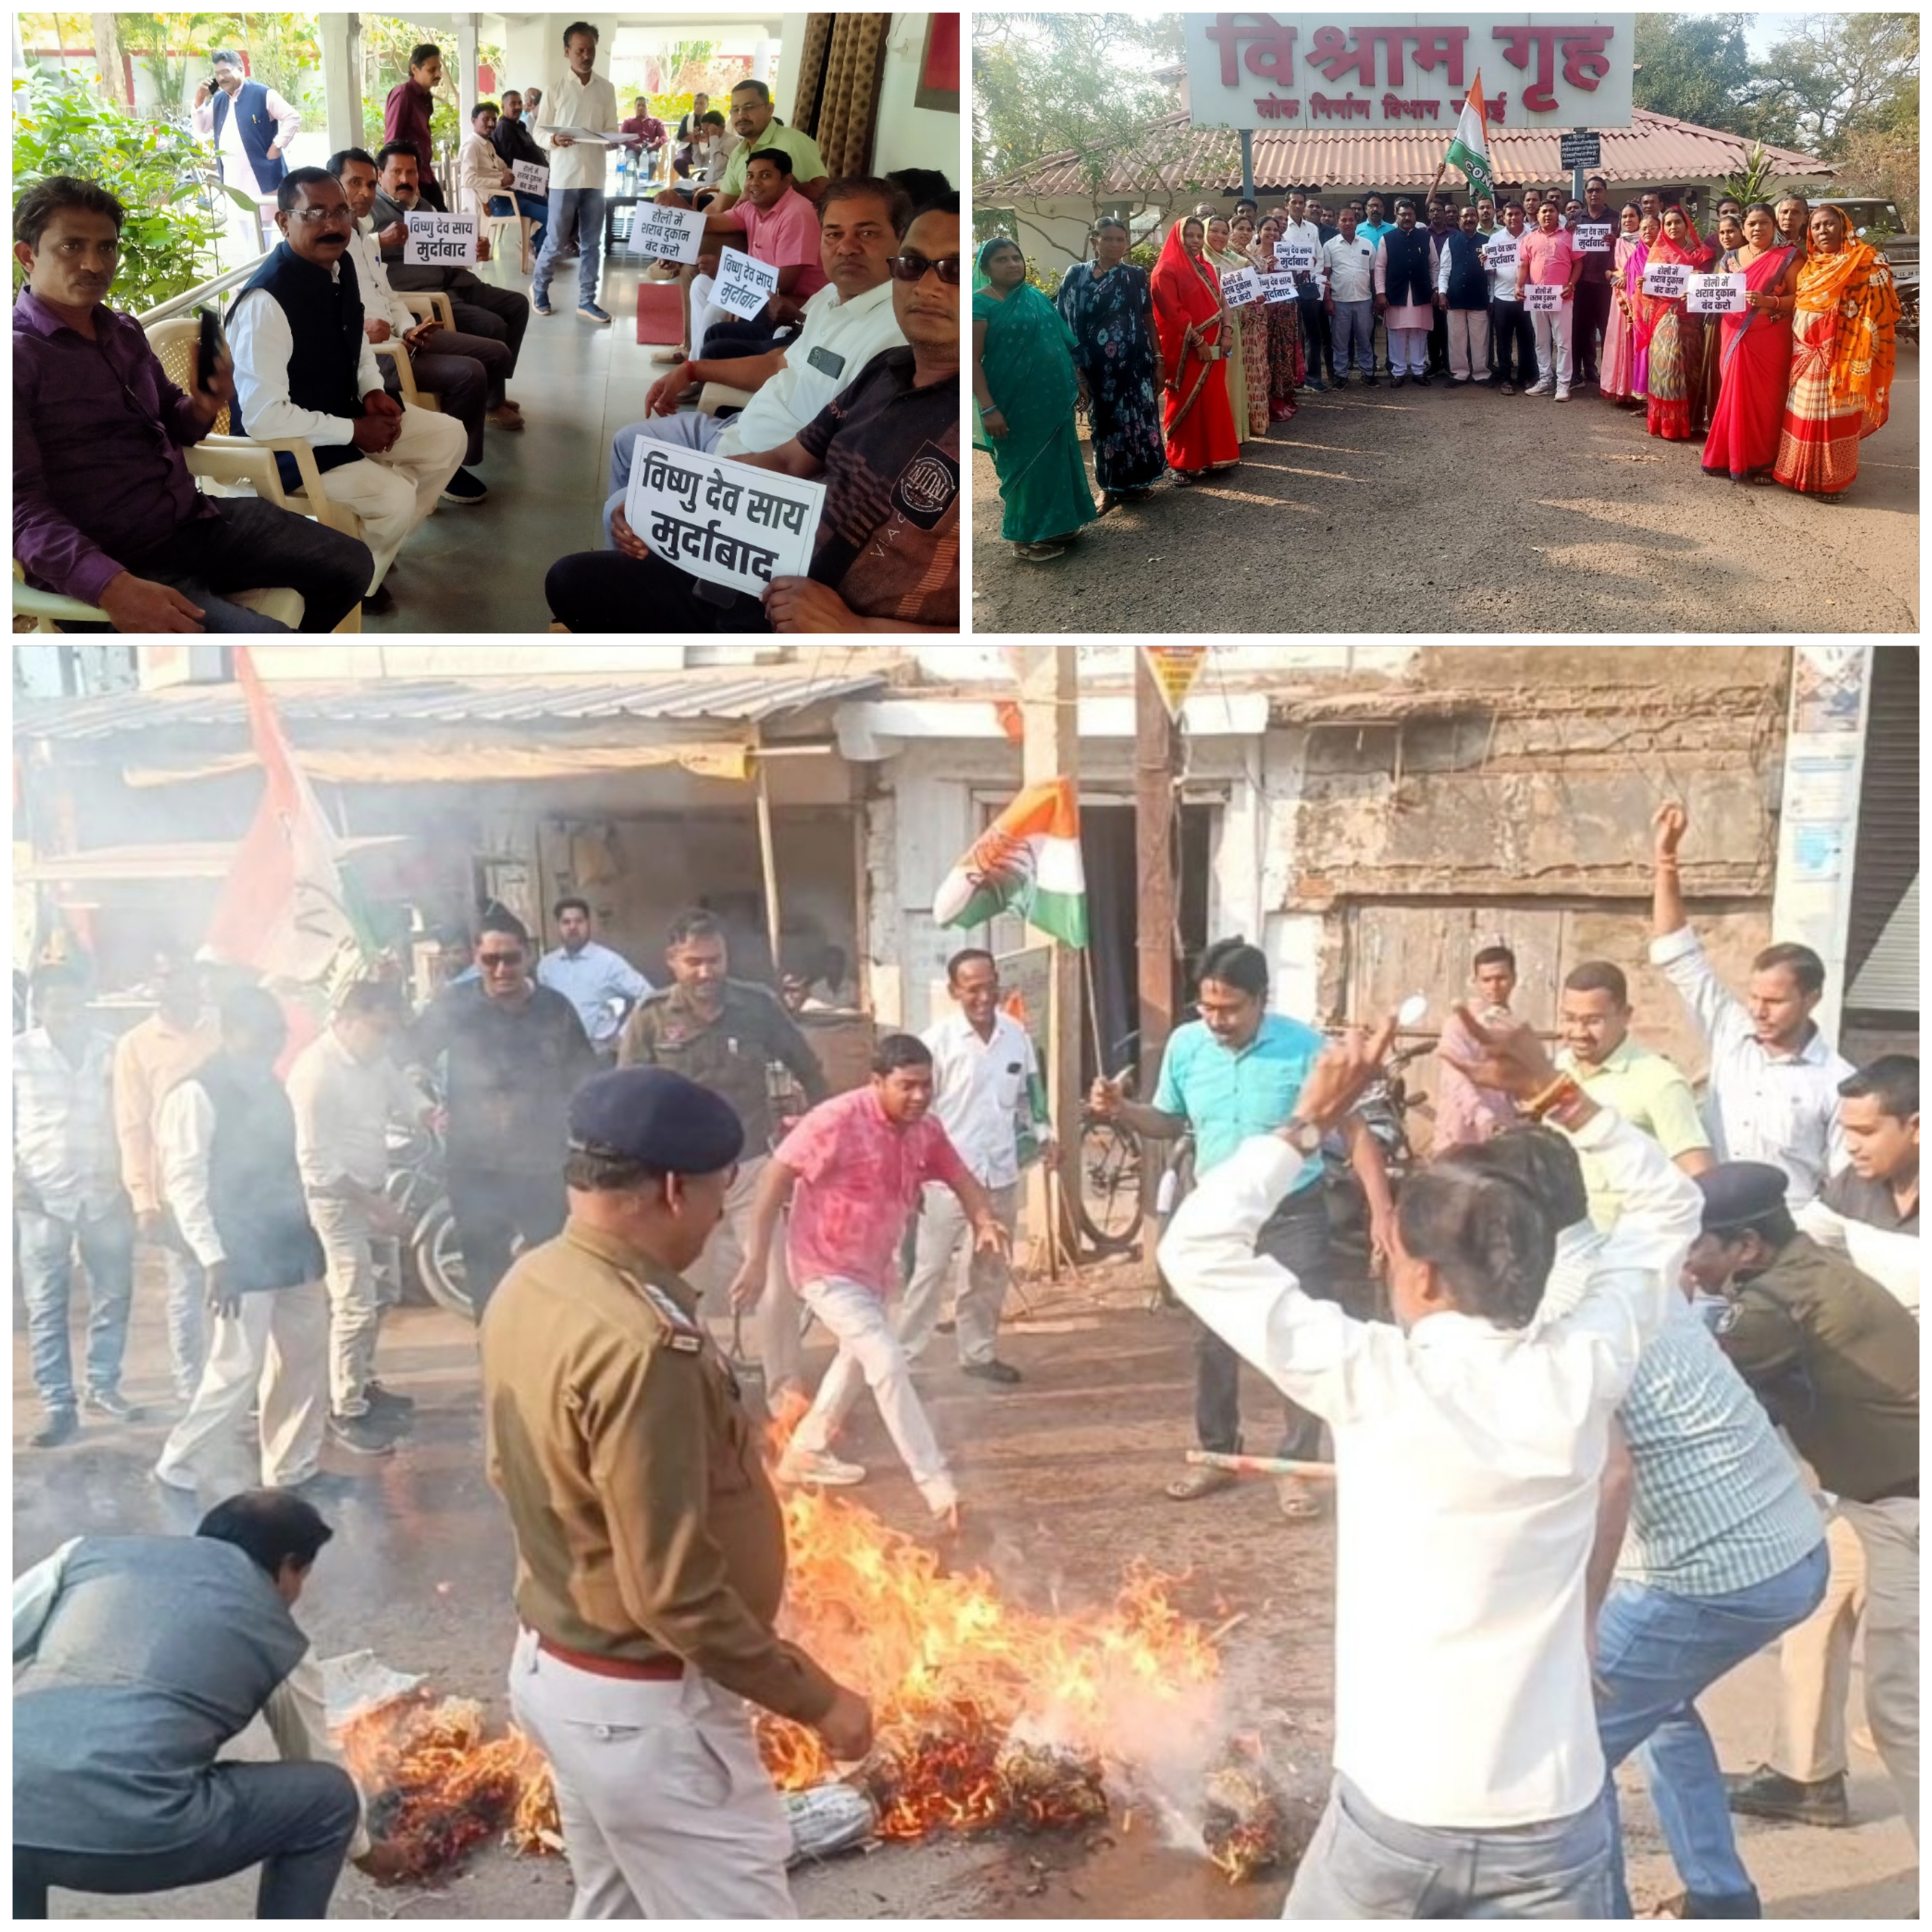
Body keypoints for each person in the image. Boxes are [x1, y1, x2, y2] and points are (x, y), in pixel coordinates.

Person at [1161, 1015, 1687, 1918]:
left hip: (1396, 1817)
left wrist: (1306, 1121)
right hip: (1553, 1822)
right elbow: (1674, 1206)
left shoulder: (1374, 1378)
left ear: (1428, 1281)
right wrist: (1557, 1094)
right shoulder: (1582, 1369)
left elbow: (1195, 1249)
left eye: (1398, 1255)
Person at [480, 1067, 874, 1916]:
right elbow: (673, 1588)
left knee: (616, 1906)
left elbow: (505, 1471)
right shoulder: (642, 1342)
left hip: (558, 1669)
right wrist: (818, 1698)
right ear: (669, 1188)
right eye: (714, 1197)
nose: (714, 1221)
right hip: (646, 1709)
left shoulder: (531, 1281)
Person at [1494, 1129, 1827, 1920]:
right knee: (1660, 1708)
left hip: (1711, 1576)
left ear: (1505, 1221)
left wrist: (1579, 1614)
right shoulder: (1624, 1262)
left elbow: (1610, 1474)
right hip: (1788, 1546)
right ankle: (1720, 1897)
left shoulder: (1557, 1309)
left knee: (1562, 1754)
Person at [551, 197, 961, 635]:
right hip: (769, 568)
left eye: (953, 271)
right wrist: (665, 496)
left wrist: (854, 629)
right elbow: (789, 458)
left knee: (615, 534)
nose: (927, 287)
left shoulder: (963, 418)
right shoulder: (889, 369)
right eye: (914, 266)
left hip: (836, 628)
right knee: (573, 576)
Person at [1090, 937, 1392, 1520]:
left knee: (1306, 1335)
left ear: (1261, 1000)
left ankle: (1298, 1465)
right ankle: (1216, 1453)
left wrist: (1382, 1211)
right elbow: (1169, 1118)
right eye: (1207, 1007)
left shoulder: (1305, 1048)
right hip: (1217, 1217)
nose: (1216, 1020)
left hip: (1293, 1211)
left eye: (1229, 1008)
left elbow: (1353, 1131)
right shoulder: (1185, 1046)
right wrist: (1122, 1111)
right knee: (1212, 1340)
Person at [12, 1492, 401, 1918]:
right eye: (302, 1576)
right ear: (289, 1565)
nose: (298, 1592)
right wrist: (368, 1854)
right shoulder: (277, 1633)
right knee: (328, 1797)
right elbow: (311, 1754)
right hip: (133, 1836)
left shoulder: (84, 1556)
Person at [13, 176, 372, 635]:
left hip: (189, 523)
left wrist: (205, 405)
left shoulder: (121, 332)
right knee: (266, 643)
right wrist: (110, 586)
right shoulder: (19, 360)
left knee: (351, 563)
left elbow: (177, 423)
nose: (93, 263)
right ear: (28, 256)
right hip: (112, 562)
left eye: (106, 248)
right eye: (71, 246)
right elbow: (20, 512)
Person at [1692, 1163, 1920, 1849]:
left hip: (1906, 1508)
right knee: (1814, 1612)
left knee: (1902, 1707)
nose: (1685, 1257)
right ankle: (1805, 1775)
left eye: (1693, 1243)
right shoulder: (1798, 1264)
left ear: (1746, 1247)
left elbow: (1684, 1385)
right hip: (1870, 1493)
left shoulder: (1775, 1304)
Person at [734, 1036, 1008, 1523]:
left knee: (858, 1357)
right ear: (877, 1081)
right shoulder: (836, 1120)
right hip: (824, 1266)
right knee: (886, 1359)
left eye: (927, 1085)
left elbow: (961, 1177)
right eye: (907, 1086)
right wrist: (757, 1256)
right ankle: (938, 1488)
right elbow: (774, 1175)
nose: (920, 1096)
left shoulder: (926, 1131)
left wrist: (984, 1220)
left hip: (874, 1271)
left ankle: (808, 1449)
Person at [603, 175, 909, 542]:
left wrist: (699, 480)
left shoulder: (896, 334)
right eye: (833, 234)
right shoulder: (832, 296)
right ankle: (640, 563)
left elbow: (818, 462)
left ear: (902, 239)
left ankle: (643, 570)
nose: (846, 247)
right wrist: (691, 369)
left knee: (622, 507)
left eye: (867, 233)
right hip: (738, 430)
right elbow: (780, 363)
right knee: (626, 443)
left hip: (764, 471)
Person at [227, 168, 469, 615]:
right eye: (315, 213)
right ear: (283, 221)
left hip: (342, 413)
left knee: (449, 437)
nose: (333, 225)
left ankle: (369, 560)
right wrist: (355, 431)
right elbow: (263, 419)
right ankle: (359, 579)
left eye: (340, 212)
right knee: (395, 498)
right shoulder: (266, 303)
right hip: (288, 447)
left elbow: (355, 336)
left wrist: (372, 387)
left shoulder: (340, 266)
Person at [616, 909, 829, 1405]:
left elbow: (809, 1070)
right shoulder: (650, 1017)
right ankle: (699, 1388)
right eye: (694, 962)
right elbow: (628, 1094)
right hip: (683, 1181)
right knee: (685, 1289)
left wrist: (819, 1140)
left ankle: (785, 1391)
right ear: (672, 961)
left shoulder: (757, 1007)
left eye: (715, 960)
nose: (706, 972)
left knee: (777, 1285)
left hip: (752, 1166)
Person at [150, 988, 331, 1495]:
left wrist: (311, 1234)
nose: (274, 1043)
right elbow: (184, 1184)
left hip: (293, 1246)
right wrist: (214, 1258)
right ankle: (178, 1465)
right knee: (235, 1372)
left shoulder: (270, 1084)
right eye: (263, 1033)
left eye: (279, 1033)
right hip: (239, 1256)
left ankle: (292, 1467)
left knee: (304, 1360)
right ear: (231, 1033)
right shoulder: (195, 1094)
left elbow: (287, 1164)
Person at [1651, 802, 1851, 1206]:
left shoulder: (1838, 1082)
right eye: (1754, 997)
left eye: (1775, 1001)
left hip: (1787, 1230)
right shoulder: (1731, 1030)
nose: (1759, 1011)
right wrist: (1666, 859)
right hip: (1712, 1224)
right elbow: (1678, 953)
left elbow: (1847, 1181)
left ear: (1811, 999)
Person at [409, 909, 596, 1315]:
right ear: (477, 959)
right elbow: (406, 1057)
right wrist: (425, 1105)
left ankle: (554, 1370)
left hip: (544, 1166)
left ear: (527, 956)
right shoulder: (456, 1006)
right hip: (475, 1167)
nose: (501, 969)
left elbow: (586, 1082)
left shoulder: (556, 1009)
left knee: (554, 1276)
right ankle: (498, 1369)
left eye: (510, 958)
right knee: (487, 1282)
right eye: (490, 960)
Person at [285, 981, 428, 1458]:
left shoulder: (373, 1057)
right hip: (337, 1201)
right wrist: (378, 1207)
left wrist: (430, 1114)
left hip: (372, 1187)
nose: (383, 1041)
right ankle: (344, 1407)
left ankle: (364, 1382)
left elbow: (402, 1091)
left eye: (389, 1032)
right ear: (346, 1021)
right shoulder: (315, 1074)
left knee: (384, 1293)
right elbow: (318, 1166)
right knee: (353, 1304)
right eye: (377, 1030)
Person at [901, 949, 1054, 1382]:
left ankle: (979, 1354)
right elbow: (919, 1113)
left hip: (1000, 1173)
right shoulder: (936, 1044)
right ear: (955, 992)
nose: (985, 996)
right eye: (974, 989)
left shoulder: (1016, 1035)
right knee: (930, 1271)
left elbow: (1031, 1096)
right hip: (947, 1178)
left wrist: (1046, 1136)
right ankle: (904, 1358)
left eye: (991, 986)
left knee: (988, 1271)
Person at [329, 146, 503, 504]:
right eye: (354, 183)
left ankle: (453, 453)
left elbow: (389, 294)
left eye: (368, 184)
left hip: (402, 335)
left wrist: (409, 327)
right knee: (470, 373)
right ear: (336, 186)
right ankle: (451, 468)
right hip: (378, 354)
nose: (364, 192)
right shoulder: (330, 245)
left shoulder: (363, 234)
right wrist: (367, 331)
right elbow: (327, 314)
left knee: (494, 352)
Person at [14, 963, 137, 1448]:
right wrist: (15, 1183)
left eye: (73, 1002)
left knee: (114, 1295)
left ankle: (103, 1385)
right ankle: (58, 1404)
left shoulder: (111, 1052)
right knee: (46, 1304)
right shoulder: (15, 1056)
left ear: (87, 1001)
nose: (66, 1012)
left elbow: (129, 1117)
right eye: (55, 1004)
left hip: (104, 1194)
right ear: (40, 1006)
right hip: (41, 1198)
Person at [650, 78, 829, 364]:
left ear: (769, 109)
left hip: (788, 276)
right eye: (735, 110)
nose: (740, 115)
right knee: (695, 277)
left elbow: (822, 190)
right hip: (752, 245)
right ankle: (692, 356)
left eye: (749, 107)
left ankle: (696, 364)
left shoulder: (794, 148)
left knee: (701, 278)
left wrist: (724, 268)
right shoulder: (742, 158)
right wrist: (676, 226)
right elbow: (718, 214)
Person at [112, 948, 220, 1403]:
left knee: (231, 1288)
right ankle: (191, 1387)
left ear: (196, 979)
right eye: (162, 977)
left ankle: (227, 1383)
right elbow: (132, 1126)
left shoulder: (222, 1027)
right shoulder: (136, 1045)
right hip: (176, 1190)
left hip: (233, 1186)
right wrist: (144, 1200)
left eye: (178, 975)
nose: (171, 985)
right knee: (187, 1290)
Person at [1556, 960, 1713, 1226]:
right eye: (1570, 1019)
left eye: (1593, 1021)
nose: (1579, 1033)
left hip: (1628, 1250)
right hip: (1562, 1245)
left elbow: (1700, 1176)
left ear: (1626, 1015)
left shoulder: (1659, 1082)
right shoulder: (1559, 1069)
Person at [372, 144, 533, 391]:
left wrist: (476, 250)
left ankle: (496, 380)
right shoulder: (369, 212)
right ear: (380, 175)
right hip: (425, 295)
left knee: (518, 304)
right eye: (397, 172)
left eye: (412, 172)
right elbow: (354, 251)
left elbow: (448, 249)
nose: (406, 179)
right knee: (493, 325)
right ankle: (493, 397)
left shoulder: (425, 206)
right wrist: (381, 240)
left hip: (455, 280)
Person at [1774, 203, 1899, 501]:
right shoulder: (1809, 267)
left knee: (1835, 418)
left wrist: (1852, 342)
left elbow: (1883, 310)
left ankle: (1834, 480)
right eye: (1816, 227)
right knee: (1803, 415)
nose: (1822, 231)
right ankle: (1799, 474)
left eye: (1829, 224)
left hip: (1844, 355)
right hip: (1805, 354)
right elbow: (1801, 305)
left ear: (1844, 227)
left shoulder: (1866, 260)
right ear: (1810, 234)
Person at [1056, 216, 1168, 511]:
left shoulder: (1135, 275)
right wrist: (1077, 370)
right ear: (1095, 241)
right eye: (1108, 238)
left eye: (1121, 239)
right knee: (1104, 427)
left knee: (1140, 424)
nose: (1115, 244)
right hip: (1097, 370)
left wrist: (1158, 360)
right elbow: (1064, 324)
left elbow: (1148, 320)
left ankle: (1137, 483)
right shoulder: (1077, 276)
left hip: (1135, 366)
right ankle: (1107, 488)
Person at [682, 148, 829, 358]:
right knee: (701, 284)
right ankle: (697, 362)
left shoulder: (797, 214)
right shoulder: (752, 207)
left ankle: (697, 370)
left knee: (715, 307)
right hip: (760, 287)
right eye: (750, 176)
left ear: (787, 181)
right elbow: (711, 223)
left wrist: (724, 270)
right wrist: (680, 210)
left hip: (796, 300)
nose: (755, 183)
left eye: (765, 176)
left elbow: (784, 283)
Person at [1700, 202, 1800, 484]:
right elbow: (1717, 294)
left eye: (1764, 223)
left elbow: (1802, 297)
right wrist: (1695, 294)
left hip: (1770, 337)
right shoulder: (1729, 258)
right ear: (1743, 228)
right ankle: (1729, 456)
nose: (1758, 229)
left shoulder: (1788, 258)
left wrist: (1771, 301)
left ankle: (1766, 461)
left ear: (1774, 226)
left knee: (1767, 399)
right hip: (1733, 334)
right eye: (1752, 224)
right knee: (1733, 395)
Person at [527, 22, 620, 324]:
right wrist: (553, 139)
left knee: (592, 243)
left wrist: (612, 143)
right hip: (564, 179)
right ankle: (539, 288)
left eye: (591, 50)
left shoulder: (606, 89)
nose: (586, 56)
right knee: (555, 240)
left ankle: (587, 300)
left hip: (595, 178)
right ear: (567, 52)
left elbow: (611, 129)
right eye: (580, 50)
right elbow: (539, 132)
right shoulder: (555, 90)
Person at [1151, 215, 1238, 482]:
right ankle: (1182, 462)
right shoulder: (1164, 270)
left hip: (1215, 346)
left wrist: (1226, 332)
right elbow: (1172, 313)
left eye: (1199, 236)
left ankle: (1216, 457)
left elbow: (1223, 302)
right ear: (1178, 237)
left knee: (1213, 400)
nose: (1195, 241)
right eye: (1190, 236)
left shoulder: (1208, 268)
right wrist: (1199, 342)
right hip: (1187, 349)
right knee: (1185, 402)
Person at [191, 47, 299, 256]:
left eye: (225, 72)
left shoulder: (262, 93)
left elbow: (292, 117)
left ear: (240, 69)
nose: (221, 78)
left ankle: (260, 277)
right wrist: (199, 100)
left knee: (262, 234)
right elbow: (202, 127)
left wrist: (277, 146)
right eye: (217, 74)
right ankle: (253, 277)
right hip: (233, 180)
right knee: (245, 233)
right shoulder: (220, 100)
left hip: (261, 179)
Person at [1630, 205, 1716, 441]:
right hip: (1664, 319)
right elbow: (1649, 296)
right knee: (1666, 367)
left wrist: (1699, 279)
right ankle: (1666, 424)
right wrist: (1642, 287)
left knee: (1689, 370)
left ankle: (1690, 424)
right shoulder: (1657, 254)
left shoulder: (1702, 253)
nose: (1673, 227)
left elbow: (1711, 287)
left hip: (1691, 320)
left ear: (1687, 225)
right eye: (1668, 223)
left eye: (1677, 222)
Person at [537, 897, 652, 1061]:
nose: (573, 927)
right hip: (560, 1056)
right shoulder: (547, 966)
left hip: (599, 1055)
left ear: (589, 924)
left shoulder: (609, 962)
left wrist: (623, 1034)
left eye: (579, 921)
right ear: (558, 926)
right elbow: (542, 1006)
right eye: (566, 922)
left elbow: (648, 995)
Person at [1432, 943, 1519, 1148]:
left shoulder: (1513, 1027)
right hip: (1462, 1130)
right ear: (1476, 982)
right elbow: (1455, 1077)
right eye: (1487, 980)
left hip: (1502, 1130)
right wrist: (1482, 1114)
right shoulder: (1458, 1024)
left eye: (1501, 978)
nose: (1494, 987)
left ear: (1514, 979)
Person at [1517, 197, 1582, 400]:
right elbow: (1524, 266)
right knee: (1542, 341)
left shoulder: (1569, 236)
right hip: (1537, 297)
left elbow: (1578, 264)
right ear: (1538, 215)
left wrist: (1571, 285)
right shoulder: (1529, 239)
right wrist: (1518, 286)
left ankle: (1563, 384)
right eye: (1543, 211)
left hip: (1562, 297)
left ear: (1558, 214)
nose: (1547, 215)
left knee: (1563, 342)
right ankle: (1545, 379)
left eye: (1551, 211)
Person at [1204, 213, 1259, 442]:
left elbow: (1250, 295)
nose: (1219, 236)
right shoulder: (1199, 259)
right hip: (1205, 326)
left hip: (1232, 325)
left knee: (1232, 378)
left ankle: (1233, 433)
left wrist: (1255, 295)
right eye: (1214, 231)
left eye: (1223, 232)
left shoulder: (1236, 261)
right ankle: (1211, 434)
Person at [1373, 199, 1435, 387]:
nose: (1407, 218)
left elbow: (1435, 265)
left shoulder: (1426, 237)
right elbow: (1380, 267)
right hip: (1396, 293)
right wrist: (1381, 293)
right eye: (1403, 214)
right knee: (1396, 333)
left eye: (1411, 214)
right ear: (1396, 216)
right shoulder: (1387, 238)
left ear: (1416, 217)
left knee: (1419, 332)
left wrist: (1436, 289)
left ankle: (1418, 370)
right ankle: (1398, 372)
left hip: (1421, 291)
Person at [381, 42, 449, 212]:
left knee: (444, 222)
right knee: (434, 225)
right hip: (411, 179)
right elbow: (392, 140)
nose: (438, 74)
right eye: (431, 70)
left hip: (424, 174)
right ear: (414, 69)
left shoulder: (425, 98)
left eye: (439, 68)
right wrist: (409, 182)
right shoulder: (404, 95)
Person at [1321, 205, 1378, 386]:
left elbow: (1374, 274)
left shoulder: (1367, 245)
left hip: (1364, 301)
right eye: (1343, 220)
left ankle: (1368, 373)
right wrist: (1328, 300)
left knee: (1365, 340)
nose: (1348, 223)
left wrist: (1377, 298)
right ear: (1338, 223)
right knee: (1340, 342)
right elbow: (1325, 275)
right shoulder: (1330, 246)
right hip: (1340, 302)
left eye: (1351, 219)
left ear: (1356, 221)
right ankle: (1341, 376)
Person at [1435, 202, 1491, 385]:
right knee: (1456, 338)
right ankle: (1459, 373)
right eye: (1465, 216)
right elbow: (1444, 271)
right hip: (1455, 298)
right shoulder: (1450, 241)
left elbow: (1493, 274)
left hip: (1479, 297)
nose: (1469, 219)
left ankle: (1481, 373)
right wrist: (1442, 293)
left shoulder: (1487, 241)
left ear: (1477, 219)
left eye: (1472, 216)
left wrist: (1491, 299)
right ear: (1459, 221)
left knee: (1480, 339)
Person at [1486, 200, 1536, 395]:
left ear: (1523, 215)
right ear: (1503, 217)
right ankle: (1505, 377)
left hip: (1527, 296)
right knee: (1504, 342)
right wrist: (1486, 263)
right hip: (1502, 297)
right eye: (1509, 215)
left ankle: (1526, 376)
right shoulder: (1495, 239)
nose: (1513, 217)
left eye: (1517, 213)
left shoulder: (1532, 236)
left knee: (1527, 340)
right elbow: (1490, 273)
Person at [1258, 213, 1304, 417]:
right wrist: (1265, 268)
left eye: (1276, 230)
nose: (1272, 233)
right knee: (1268, 354)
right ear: (1258, 232)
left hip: (1286, 311)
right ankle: (1269, 401)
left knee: (1284, 354)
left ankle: (1283, 395)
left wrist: (1304, 266)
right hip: (1264, 313)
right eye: (1267, 229)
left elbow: (1293, 279)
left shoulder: (1286, 253)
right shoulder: (1251, 255)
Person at [1598, 204, 1644, 406]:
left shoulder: (1648, 243)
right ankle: (1621, 388)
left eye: (1632, 216)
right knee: (1621, 341)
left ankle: (1640, 390)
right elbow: (1607, 272)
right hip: (1621, 300)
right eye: (1624, 217)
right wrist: (1619, 278)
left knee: (1639, 343)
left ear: (1640, 218)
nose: (1627, 220)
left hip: (1643, 301)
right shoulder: (1616, 244)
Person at [1283, 190, 1330, 388]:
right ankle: (1294, 378)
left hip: (1310, 286)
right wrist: (1294, 276)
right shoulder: (1281, 227)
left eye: (1301, 202)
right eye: (1294, 202)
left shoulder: (1312, 227)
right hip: (1288, 286)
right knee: (1292, 333)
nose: (1298, 206)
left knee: (1313, 332)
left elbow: (1319, 256)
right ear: (1287, 204)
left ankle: (1313, 378)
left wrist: (1311, 277)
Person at [620, 96, 667, 178]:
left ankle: (646, 185)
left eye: (644, 105)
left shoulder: (656, 122)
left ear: (648, 107)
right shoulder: (628, 122)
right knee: (629, 162)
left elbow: (664, 137)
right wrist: (634, 146)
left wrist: (653, 146)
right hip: (632, 149)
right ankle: (633, 184)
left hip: (650, 150)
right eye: (638, 105)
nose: (641, 108)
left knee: (652, 162)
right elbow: (622, 137)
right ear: (635, 107)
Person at [1774, 193, 1810, 258]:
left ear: (1806, 219)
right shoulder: (1767, 244)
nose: (1788, 217)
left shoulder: (1811, 248)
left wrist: (1798, 252)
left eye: (1795, 213)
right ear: (1778, 216)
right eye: (1784, 212)